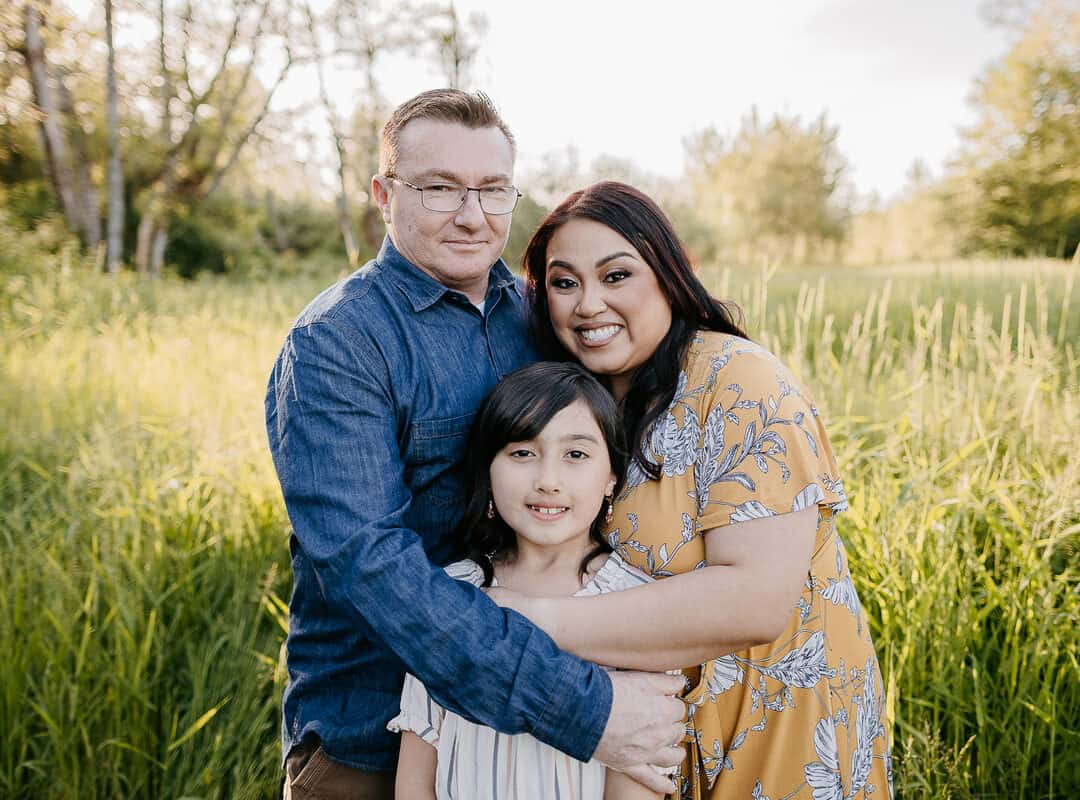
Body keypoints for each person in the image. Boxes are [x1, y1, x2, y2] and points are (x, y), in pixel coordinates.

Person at [264, 94, 684, 800]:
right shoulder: (337, 345)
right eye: (439, 188)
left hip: (560, 732)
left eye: (493, 189)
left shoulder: (536, 316)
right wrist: (584, 708)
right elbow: (370, 568)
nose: (472, 214)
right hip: (377, 738)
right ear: (383, 195)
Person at [484, 181, 893, 799]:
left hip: (771, 731)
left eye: (616, 276)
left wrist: (525, 623)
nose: (588, 304)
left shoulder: (738, 383)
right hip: (651, 743)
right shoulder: (583, 404)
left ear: (670, 275)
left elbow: (754, 600)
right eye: (565, 283)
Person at [391, 361, 670, 800]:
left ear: (611, 479)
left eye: (575, 455)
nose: (548, 481)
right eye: (522, 453)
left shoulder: (638, 604)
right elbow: (414, 777)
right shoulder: (450, 593)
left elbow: (638, 784)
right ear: (488, 472)